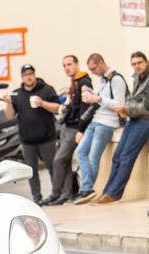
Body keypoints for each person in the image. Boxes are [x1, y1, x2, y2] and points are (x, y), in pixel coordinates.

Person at [94, 51, 149, 204]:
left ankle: (114, 193)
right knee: (117, 155)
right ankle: (107, 191)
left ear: (146, 62)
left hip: (145, 120)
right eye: (134, 63)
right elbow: (133, 99)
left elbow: (147, 106)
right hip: (134, 118)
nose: (137, 66)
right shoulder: (137, 77)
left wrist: (127, 110)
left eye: (140, 62)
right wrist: (126, 109)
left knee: (126, 156)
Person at [73, 53, 128, 204]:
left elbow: (119, 104)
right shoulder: (102, 80)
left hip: (107, 123)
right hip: (95, 120)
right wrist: (89, 93)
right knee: (80, 152)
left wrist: (97, 98)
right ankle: (88, 188)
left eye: (93, 68)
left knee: (93, 156)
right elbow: (100, 98)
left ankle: (85, 190)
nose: (92, 73)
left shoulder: (116, 79)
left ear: (101, 63)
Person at [3, 64, 61, 205]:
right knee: (31, 171)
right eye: (25, 74)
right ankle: (37, 197)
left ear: (34, 74)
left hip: (47, 137)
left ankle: (57, 194)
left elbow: (58, 108)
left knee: (53, 167)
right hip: (27, 140)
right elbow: (9, 116)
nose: (28, 77)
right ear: (22, 77)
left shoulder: (46, 89)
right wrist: (9, 103)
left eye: (30, 74)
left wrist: (42, 103)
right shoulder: (17, 94)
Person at [41, 55, 93, 206]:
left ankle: (56, 193)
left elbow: (85, 108)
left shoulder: (84, 81)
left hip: (75, 127)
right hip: (67, 126)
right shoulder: (74, 82)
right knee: (66, 161)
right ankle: (67, 193)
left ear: (77, 64)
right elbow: (74, 105)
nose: (66, 68)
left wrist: (81, 129)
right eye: (64, 65)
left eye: (69, 64)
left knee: (58, 160)